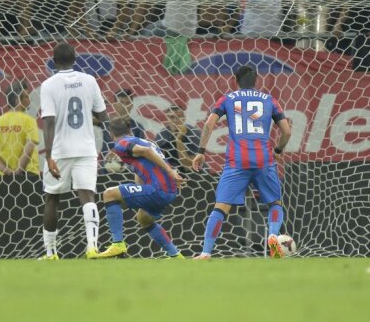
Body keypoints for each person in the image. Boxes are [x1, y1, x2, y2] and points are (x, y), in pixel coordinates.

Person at [191, 65, 292, 260]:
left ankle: (205, 253)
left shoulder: (227, 99)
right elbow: (286, 131)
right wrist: (278, 150)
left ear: (235, 81)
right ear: (256, 81)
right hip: (264, 159)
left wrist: (201, 152)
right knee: (275, 203)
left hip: (237, 161)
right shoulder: (270, 100)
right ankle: (273, 236)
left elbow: (209, 124)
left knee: (220, 207)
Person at [39, 42, 109, 260]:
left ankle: (51, 253)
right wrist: (87, 119)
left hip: (60, 150)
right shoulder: (90, 81)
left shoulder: (49, 85)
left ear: (53, 61)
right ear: (75, 59)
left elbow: (48, 121)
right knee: (88, 196)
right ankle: (92, 248)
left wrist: (49, 156)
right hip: (86, 148)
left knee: (52, 198)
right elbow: (103, 116)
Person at [96, 117, 187, 259]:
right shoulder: (142, 140)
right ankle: (175, 255)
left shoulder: (121, 144)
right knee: (144, 218)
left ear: (110, 133)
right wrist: (138, 195)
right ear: (130, 130)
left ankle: (117, 244)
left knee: (109, 194)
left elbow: (147, 152)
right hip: (169, 189)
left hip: (158, 188)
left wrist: (170, 171)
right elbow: (141, 170)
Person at [0, 81, 39, 176]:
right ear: (17, 99)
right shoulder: (29, 121)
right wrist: (18, 171)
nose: (29, 100)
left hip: (2, 177)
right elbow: (28, 149)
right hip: (28, 174)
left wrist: (7, 171)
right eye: (26, 96)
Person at [155, 105, 200, 173]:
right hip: (171, 172)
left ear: (184, 118)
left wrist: (178, 139)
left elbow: (188, 167)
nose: (175, 120)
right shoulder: (162, 135)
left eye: (179, 116)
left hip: (194, 173)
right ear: (167, 118)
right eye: (172, 117)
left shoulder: (194, 133)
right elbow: (158, 163)